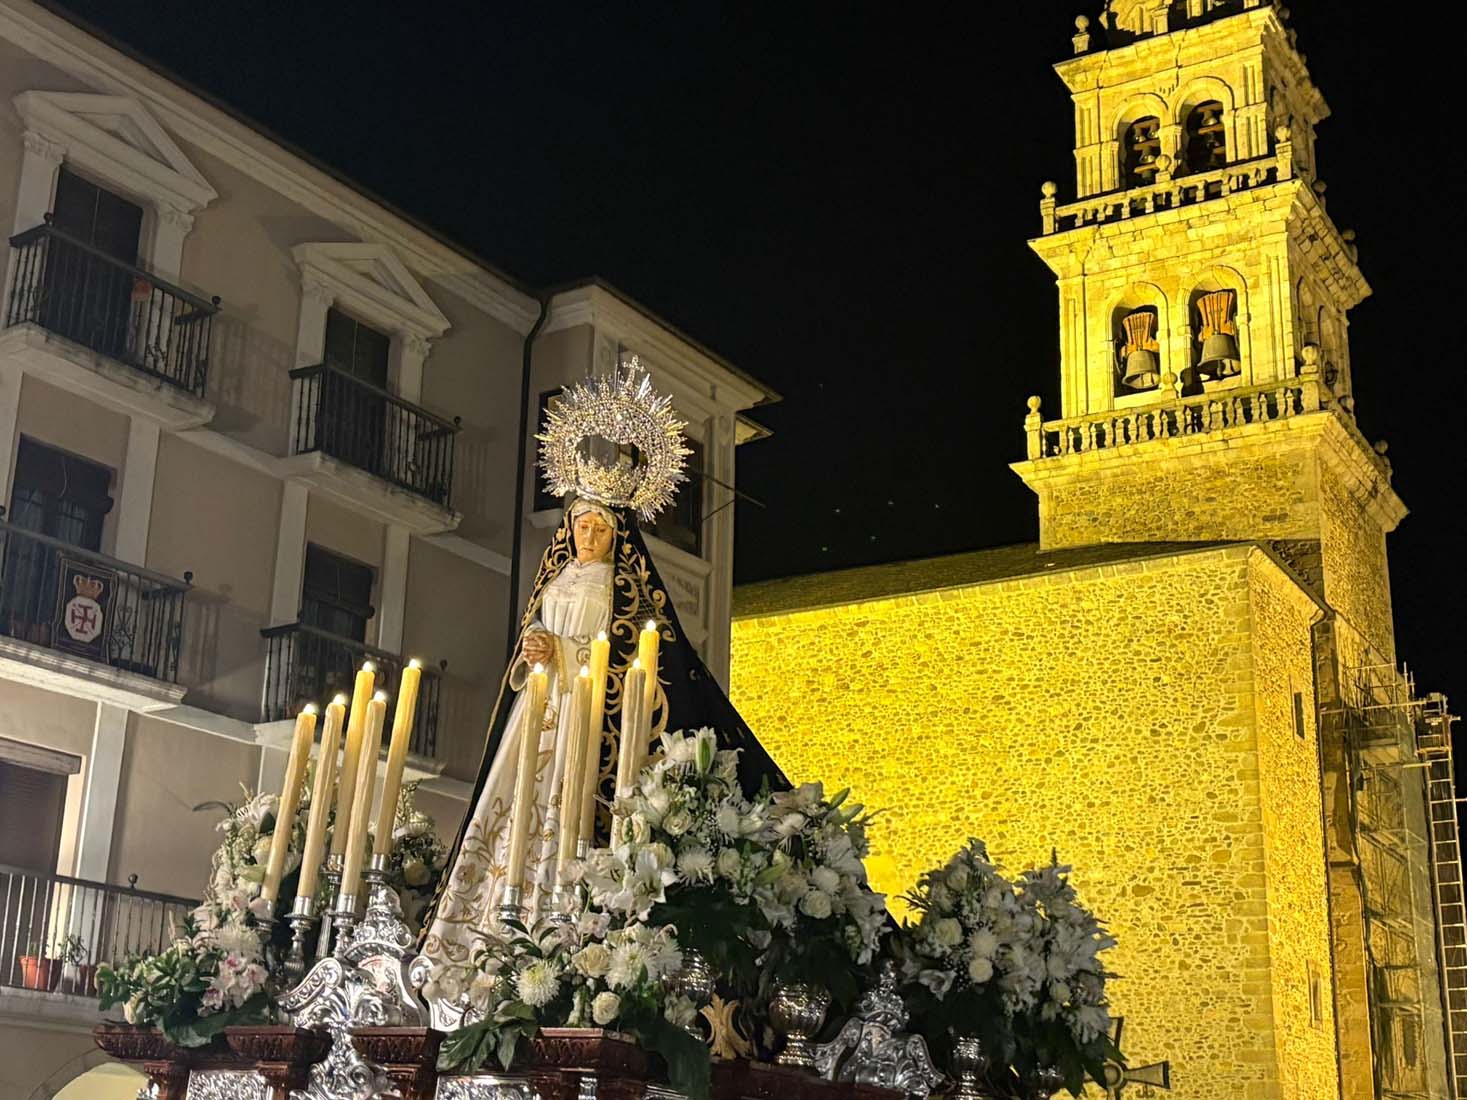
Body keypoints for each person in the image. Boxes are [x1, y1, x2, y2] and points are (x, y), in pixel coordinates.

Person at [419, 495, 786, 970]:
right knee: (511, 801)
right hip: (540, 701)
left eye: (599, 530)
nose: (587, 538)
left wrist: (564, 651)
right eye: (581, 527)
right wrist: (533, 645)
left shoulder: (621, 585)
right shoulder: (555, 577)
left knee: (569, 797)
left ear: (616, 535)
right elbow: (533, 630)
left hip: (588, 709)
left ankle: (564, 916)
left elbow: (627, 652)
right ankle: (484, 925)